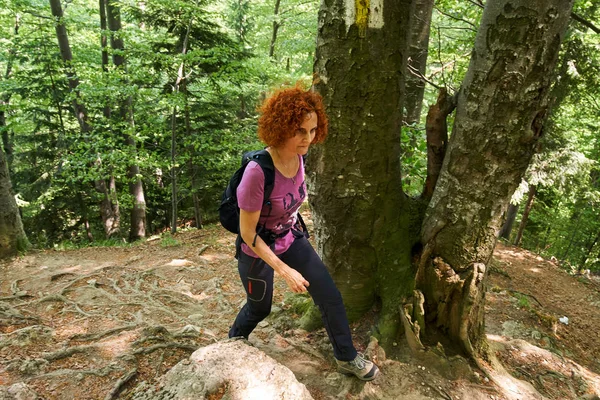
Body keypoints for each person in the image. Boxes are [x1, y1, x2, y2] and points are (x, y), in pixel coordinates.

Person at [228, 85, 379, 381]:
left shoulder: (300, 158)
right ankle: (234, 342)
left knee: (330, 296)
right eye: (299, 130)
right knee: (260, 308)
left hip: (291, 239)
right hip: (257, 252)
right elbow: (247, 234)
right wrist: (285, 271)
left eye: (312, 130)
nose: (307, 138)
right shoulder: (257, 173)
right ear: (280, 127)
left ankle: (346, 357)